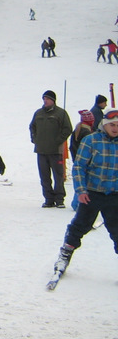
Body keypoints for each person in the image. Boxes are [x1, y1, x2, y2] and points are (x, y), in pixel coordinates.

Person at [51, 107, 118, 279]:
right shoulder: (91, 140)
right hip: (92, 194)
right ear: (104, 124)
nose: (115, 128)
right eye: (112, 125)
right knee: (79, 227)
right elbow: (79, 167)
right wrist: (81, 190)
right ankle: (64, 256)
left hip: (114, 195)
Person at [29, 90, 73, 208]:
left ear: (53, 100)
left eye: (47, 99)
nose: (45, 101)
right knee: (44, 177)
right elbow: (32, 126)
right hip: (41, 151)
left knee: (58, 176)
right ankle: (48, 199)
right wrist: (34, 138)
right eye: (44, 99)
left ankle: (59, 199)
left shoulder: (61, 113)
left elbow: (68, 129)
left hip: (56, 151)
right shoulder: (38, 113)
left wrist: (58, 141)